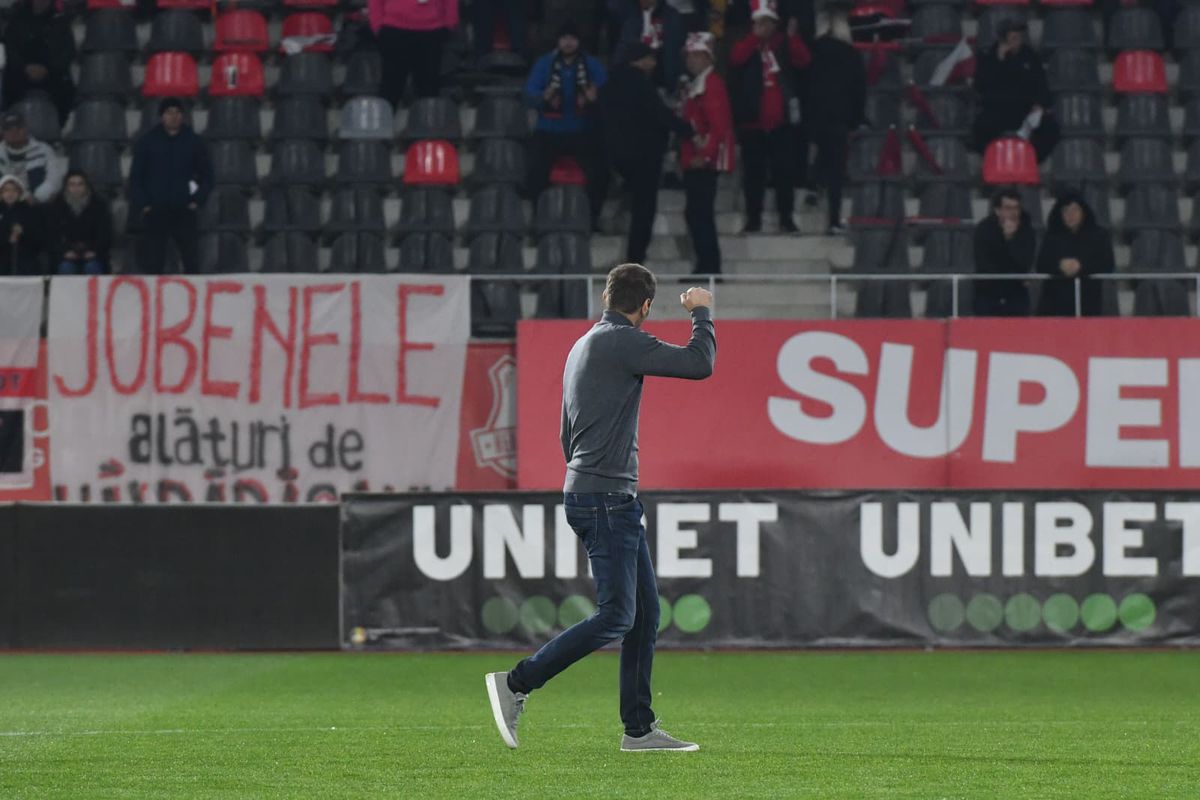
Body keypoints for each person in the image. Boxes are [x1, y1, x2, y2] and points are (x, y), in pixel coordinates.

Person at [485, 263, 716, 753]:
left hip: (596, 492)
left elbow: (565, 432)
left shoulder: (583, 345)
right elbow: (699, 364)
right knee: (616, 617)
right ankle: (517, 683)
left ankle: (639, 730)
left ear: (608, 297)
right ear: (645, 306)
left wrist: (587, 476)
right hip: (607, 497)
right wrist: (701, 313)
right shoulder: (624, 341)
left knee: (644, 615)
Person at [599, 43, 694, 264]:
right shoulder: (641, 83)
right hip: (644, 154)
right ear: (640, 60)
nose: (654, 64)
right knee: (644, 206)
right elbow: (660, 113)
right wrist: (688, 130)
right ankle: (636, 255)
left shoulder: (609, 84)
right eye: (650, 59)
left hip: (615, 153)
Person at [729, 0, 809, 234]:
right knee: (753, 175)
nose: (765, 26)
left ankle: (787, 218)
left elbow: (804, 60)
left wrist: (793, 38)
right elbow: (735, 59)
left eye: (768, 22)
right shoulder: (745, 42)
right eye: (760, 22)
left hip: (781, 122)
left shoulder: (783, 43)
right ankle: (753, 219)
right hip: (752, 122)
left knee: (784, 174)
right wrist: (754, 38)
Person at [524, 23, 609, 229]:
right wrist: (543, 98)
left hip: (583, 130)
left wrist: (596, 98)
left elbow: (607, 93)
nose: (568, 43)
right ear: (558, 41)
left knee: (601, 172)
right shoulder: (545, 63)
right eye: (564, 38)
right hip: (549, 130)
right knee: (534, 171)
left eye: (572, 38)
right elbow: (529, 94)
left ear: (579, 42)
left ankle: (593, 219)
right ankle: (537, 218)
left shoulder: (592, 64)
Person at [129, 98, 214, 275]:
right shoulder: (147, 142)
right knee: (154, 263)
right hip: (155, 211)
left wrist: (196, 201)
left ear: (182, 116)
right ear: (162, 116)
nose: (173, 116)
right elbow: (136, 178)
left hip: (184, 211)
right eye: (169, 112)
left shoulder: (194, 142)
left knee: (191, 262)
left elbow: (207, 176)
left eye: (177, 112)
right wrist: (145, 204)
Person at [804, 11, 865, 235]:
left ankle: (813, 184)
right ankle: (833, 220)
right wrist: (856, 120)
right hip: (840, 116)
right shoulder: (851, 54)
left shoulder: (813, 50)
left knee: (823, 151)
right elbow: (859, 89)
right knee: (836, 170)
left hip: (816, 114)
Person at [680, 32, 734, 275]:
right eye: (689, 55)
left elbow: (718, 125)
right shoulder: (699, 84)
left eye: (694, 55)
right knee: (697, 214)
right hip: (697, 158)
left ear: (706, 57)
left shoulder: (711, 84)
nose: (690, 60)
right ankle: (706, 266)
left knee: (699, 214)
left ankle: (709, 267)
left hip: (704, 161)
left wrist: (706, 155)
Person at [972, 19, 1060, 161]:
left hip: (1025, 111)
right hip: (996, 110)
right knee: (979, 129)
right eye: (1014, 38)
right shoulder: (988, 56)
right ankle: (994, 161)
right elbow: (980, 86)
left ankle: (1030, 160)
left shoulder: (1030, 56)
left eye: (1019, 37)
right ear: (1004, 39)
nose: (1018, 41)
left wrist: (1040, 104)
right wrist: (999, 60)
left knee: (1051, 129)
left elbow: (1042, 85)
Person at [1036, 191, 1114, 316]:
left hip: (1088, 303)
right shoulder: (1052, 236)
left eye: (1075, 210)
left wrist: (1081, 267)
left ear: (1083, 212)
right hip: (1054, 304)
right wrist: (1059, 266)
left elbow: (1108, 264)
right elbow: (1041, 265)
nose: (1070, 215)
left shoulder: (1099, 235)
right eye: (1065, 210)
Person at [368, 0, 458, 106]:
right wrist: (377, 26)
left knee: (429, 88)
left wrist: (449, 23)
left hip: (431, 31)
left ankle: (428, 116)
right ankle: (385, 116)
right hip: (394, 30)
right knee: (391, 86)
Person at [2, 0, 77, 125]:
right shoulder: (17, 21)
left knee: (65, 91)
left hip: (53, 76)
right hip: (19, 75)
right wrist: (24, 68)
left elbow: (68, 51)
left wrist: (48, 69)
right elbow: (10, 49)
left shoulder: (60, 22)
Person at [972, 187, 1036, 316]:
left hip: (1016, 294)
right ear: (997, 210)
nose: (1013, 212)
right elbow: (984, 264)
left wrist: (1011, 239)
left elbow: (1025, 263)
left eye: (1016, 208)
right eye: (1008, 208)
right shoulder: (983, 230)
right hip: (988, 293)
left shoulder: (1027, 230)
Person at [46, 170, 112, 276]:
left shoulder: (99, 206)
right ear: (66, 187)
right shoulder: (56, 206)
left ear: (86, 186)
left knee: (92, 267)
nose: (76, 188)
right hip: (64, 256)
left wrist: (94, 251)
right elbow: (51, 236)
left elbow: (105, 234)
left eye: (80, 184)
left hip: (93, 255)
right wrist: (64, 252)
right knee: (66, 268)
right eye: (72, 184)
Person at [0, 111, 65, 204]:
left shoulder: (44, 150)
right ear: (3, 132)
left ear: (26, 128)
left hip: (37, 203)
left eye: (18, 127)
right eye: (9, 129)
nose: (14, 132)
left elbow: (55, 179)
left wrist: (37, 197)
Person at [0, 175, 45, 275]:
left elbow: (38, 238)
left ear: (20, 193)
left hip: (24, 257)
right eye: (6, 190)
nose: (10, 194)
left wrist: (23, 231)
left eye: (14, 190)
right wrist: (7, 238)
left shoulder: (28, 211)